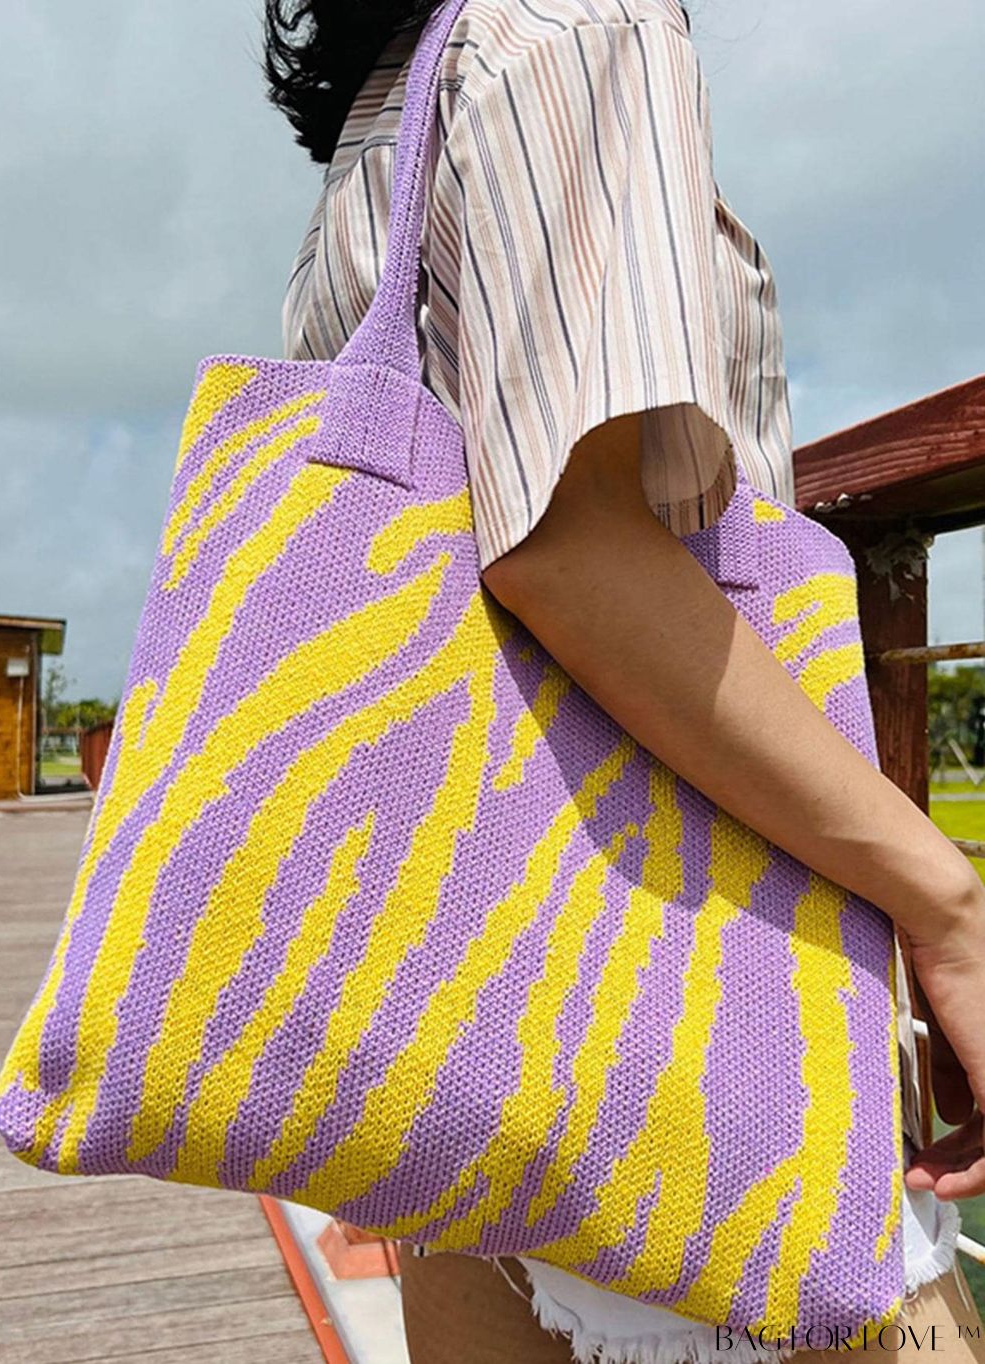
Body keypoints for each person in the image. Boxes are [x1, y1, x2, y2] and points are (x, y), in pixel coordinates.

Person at [266, 0, 985, 1358]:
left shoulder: (394, 101)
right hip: (684, 996)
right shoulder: (577, 27)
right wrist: (947, 905)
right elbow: (566, 542)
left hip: (453, 998)